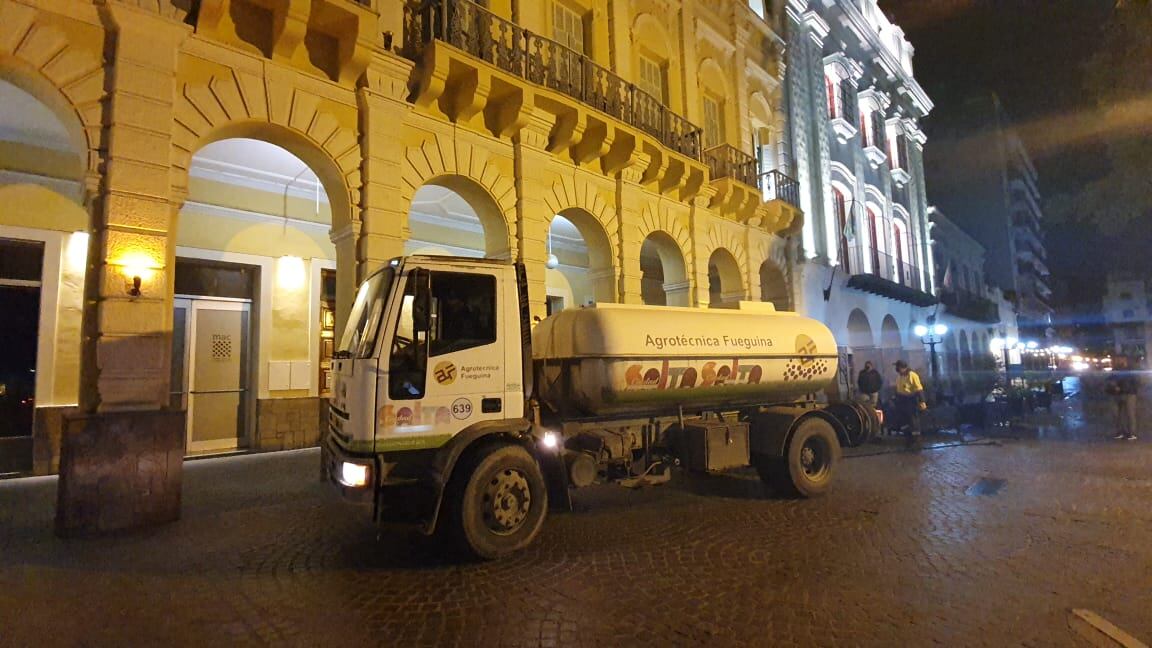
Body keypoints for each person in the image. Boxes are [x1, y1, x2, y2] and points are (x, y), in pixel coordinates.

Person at [1105, 357, 1139, 440]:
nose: (1119, 361)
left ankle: (1131, 433)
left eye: (1122, 360)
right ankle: (1121, 432)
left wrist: (1119, 386)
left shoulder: (1131, 370)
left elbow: (1136, 382)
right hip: (1119, 394)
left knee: (1129, 414)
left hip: (1128, 394)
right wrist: (1113, 385)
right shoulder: (1116, 370)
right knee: (1118, 415)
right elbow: (1109, 380)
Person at [893, 360, 926, 447]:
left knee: (913, 420)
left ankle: (916, 440)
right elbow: (898, 389)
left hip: (911, 400)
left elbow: (919, 389)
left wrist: (922, 401)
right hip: (902, 400)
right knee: (904, 420)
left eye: (898, 367)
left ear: (903, 367)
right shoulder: (899, 376)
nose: (897, 369)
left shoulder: (912, 375)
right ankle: (908, 439)